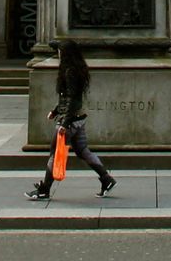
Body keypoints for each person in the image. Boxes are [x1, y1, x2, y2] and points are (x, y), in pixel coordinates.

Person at [27, 40, 116, 200]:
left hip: (70, 121)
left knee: (55, 153)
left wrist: (64, 122)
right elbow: (68, 97)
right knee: (83, 151)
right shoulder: (77, 69)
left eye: (60, 51)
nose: (58, 54)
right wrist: (55, 111)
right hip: (78, 118)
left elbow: (72, 98)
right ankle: (106, 178)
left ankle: (45, 189)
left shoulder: (69, 71)